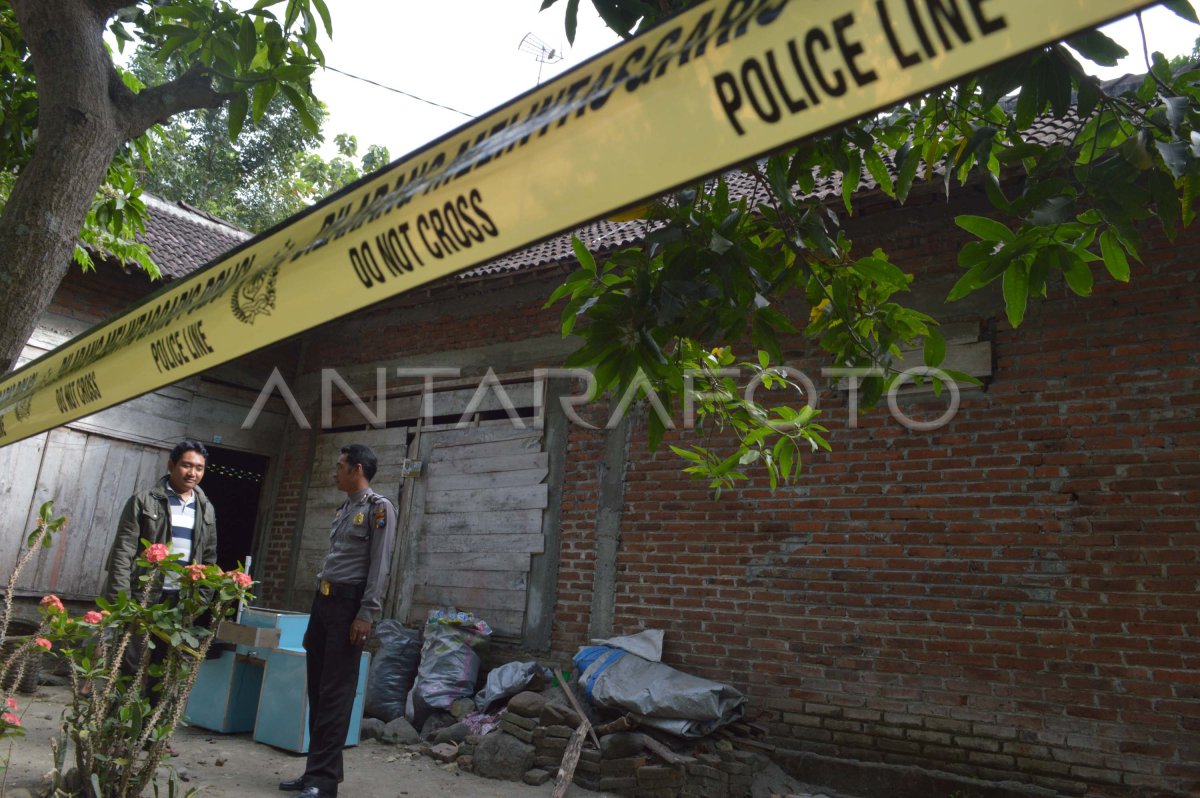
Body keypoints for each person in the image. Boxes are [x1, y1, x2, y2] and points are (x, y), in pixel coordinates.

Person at [280, 443, 397, 798]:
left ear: (356, 469)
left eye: (340, 465)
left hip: (350, 608)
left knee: (335, 694)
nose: (335, 471)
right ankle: (319, 770)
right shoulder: (344, 509)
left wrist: (367, 614)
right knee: (318, 689)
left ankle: (322, 783)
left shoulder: (379, 509)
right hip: (324, 603)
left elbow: (380, 566)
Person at [102, 439, 218, 604]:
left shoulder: (206, 509)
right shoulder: (144, 501)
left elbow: (209, 559)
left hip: (181, 601)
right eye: (186, 465)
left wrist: (199, 602)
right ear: (171, 466)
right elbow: (122, 552)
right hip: (141, 595)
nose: (193, 473)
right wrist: (121, 601)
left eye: (199, 468)